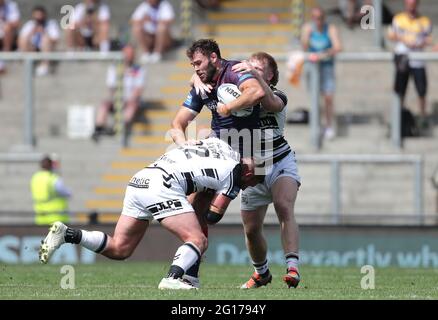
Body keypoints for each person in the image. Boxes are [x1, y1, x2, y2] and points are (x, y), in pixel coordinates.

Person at [39, 137, 263, 290]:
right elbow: (214, 216)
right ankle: (172, 278)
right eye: (253, 182)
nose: (248, 187)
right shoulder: (236, 173)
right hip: (163, 184)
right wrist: (214, 196)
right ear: (249, 172)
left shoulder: (219, 145)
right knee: (197, 239)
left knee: (120, 249)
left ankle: (68, 234)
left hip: (141, 178)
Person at [169, 38, 266, 287]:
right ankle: (190, 273)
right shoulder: (202, 85)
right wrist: (183, 144)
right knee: (196, 210)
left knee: (262, 220)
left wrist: (228, 107)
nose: (196, 69)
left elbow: (257, 92)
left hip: (254, 151)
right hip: (220, 151)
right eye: (192, 65)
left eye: (198, 63)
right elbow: (177, 124)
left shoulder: (235, 71)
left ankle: (283, 266)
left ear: (214, 57)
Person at [227, 53, 302, 289]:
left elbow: (269, 102)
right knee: (250, 228)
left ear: (270, 75)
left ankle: (292, 267)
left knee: (283, 205)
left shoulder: (278, 94)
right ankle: (261, 273)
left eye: (258, 68)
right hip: (254, 164)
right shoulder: (240, 95)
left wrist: (252, 75)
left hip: (280, 160)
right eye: (250, 67)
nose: (252, 71)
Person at [388, 0, 433, 129]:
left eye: (413, 5)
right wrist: (404, 39)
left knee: (421, 89)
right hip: (403, 57)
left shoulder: (424, 21)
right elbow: (391, 35)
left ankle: (422, 115)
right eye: (409, 5)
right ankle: (399, 114)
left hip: (418, 59)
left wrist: (420, 43)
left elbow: (428, 39)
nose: (411, 8)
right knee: (400, 88)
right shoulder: (398, 19)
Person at [301, 7, 342, 140]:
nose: (317, 21)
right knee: (315, 98)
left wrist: (324, 54)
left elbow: (338, 47)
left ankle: (329, 125)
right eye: (315, 18)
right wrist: (307, 35)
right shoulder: (308, 28)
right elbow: (304, 46)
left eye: (320, 18)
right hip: (313, 68)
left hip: (326, 66)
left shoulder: (330, 29)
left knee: (328, 98)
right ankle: (317, 124)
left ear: (323, 19)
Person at [92, 44, 146, 142]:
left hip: (131, 100)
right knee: (104, 104)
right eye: (127, 53)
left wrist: (130, 99)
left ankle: (119, 127)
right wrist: (118, 99)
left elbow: (139, 89)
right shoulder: (114, 68)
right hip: (118, 98)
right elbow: (111, 88)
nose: (129, 56)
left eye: (131, 53)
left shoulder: (138, 69)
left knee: (132, 106)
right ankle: (98, 128)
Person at [18, 6, 60, 77]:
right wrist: (32, 33)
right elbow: (21, 40)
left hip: (47, 48)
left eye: (40, 16)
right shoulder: (29, 24)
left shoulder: (51, 24)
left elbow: (55, 39)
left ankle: (45, 66)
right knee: (23, 39)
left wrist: (44, 32)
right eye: (36, 16)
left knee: (46, 39)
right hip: (32, 48)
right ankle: (27, 65)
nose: (39, 18)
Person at [30, 155, 72, 226]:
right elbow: (65, 192)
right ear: (51, 165)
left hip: (41, 217)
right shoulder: (53, 178)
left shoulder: (35, 177)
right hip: (56, 217)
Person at [0, 0, 20, 73]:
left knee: (7, 28)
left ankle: (6, 54)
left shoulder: (11, 5)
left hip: (8, 31)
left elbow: (16, 23)